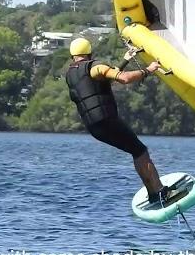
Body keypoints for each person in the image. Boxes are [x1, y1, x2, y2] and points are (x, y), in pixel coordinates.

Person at [65, 37, 173, 204]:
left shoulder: (71, 73)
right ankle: (158, 191)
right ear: (90, 53)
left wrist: (125, 60)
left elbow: (103, 77)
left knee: (136, 151)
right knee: (141, 151)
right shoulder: (95, 66)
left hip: (94, 127)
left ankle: (153, 194)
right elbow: (124, 78)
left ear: (73, 56)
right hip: (107, 120)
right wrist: (149, 70)